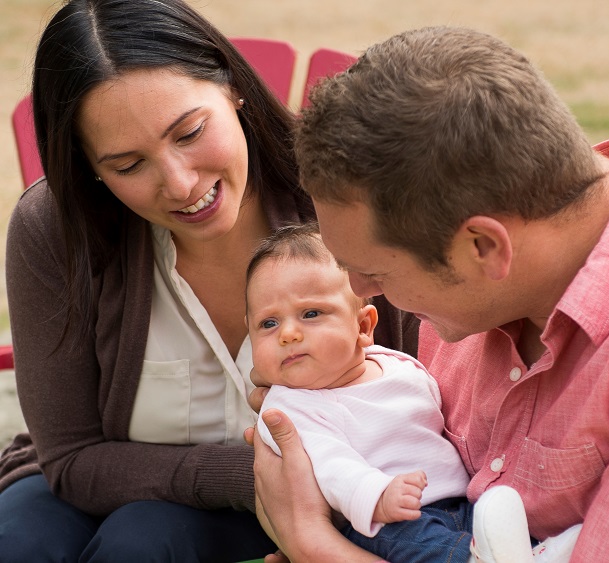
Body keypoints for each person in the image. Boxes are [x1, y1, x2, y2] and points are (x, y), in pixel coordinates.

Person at [246, 25, 609, 562]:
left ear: (484, 247)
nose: (361, 292)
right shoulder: (484, 283)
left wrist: (315, 546)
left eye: (375, 273)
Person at [0, 1, 417, 561]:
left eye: (190, 132)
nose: (179, 182)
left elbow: (433, 404)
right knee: (20, 542)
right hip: (106, 481)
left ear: (232, 88)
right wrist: (252, 472)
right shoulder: (54, 230)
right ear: (89, 168)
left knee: (142, 541)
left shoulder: (346, 197)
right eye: (127, 165)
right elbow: (73, 458)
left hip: (351, 491)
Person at [246, 222, 472, 563]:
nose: (288, 334)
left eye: (310, 313)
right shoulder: (288, 408)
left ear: (363, 327)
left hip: (459, 499)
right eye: (268, 323)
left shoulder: (396, 364)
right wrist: (377, 497)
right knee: (432, 549)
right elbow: (332, 466)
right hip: (381, 521)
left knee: (498, 517)